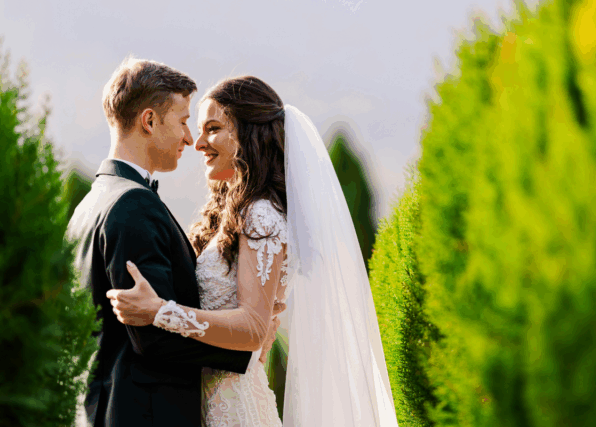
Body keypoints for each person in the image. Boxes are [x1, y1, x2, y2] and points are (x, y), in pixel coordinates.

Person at [107, 76, 399, 426]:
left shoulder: (260, 214)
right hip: (206, 402)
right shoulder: (232, 214)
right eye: (198, 130)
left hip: (235, 408)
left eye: (212, 129)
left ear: (247, 134)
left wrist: (159, 312)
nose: (198, 143)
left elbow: (253, 325)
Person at [66, 58, 266, 427]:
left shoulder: (91, 202)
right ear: (149, 121)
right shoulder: (133, 204)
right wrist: (246, 350)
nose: (190, 139)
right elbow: (153, 338)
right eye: (184, 121)